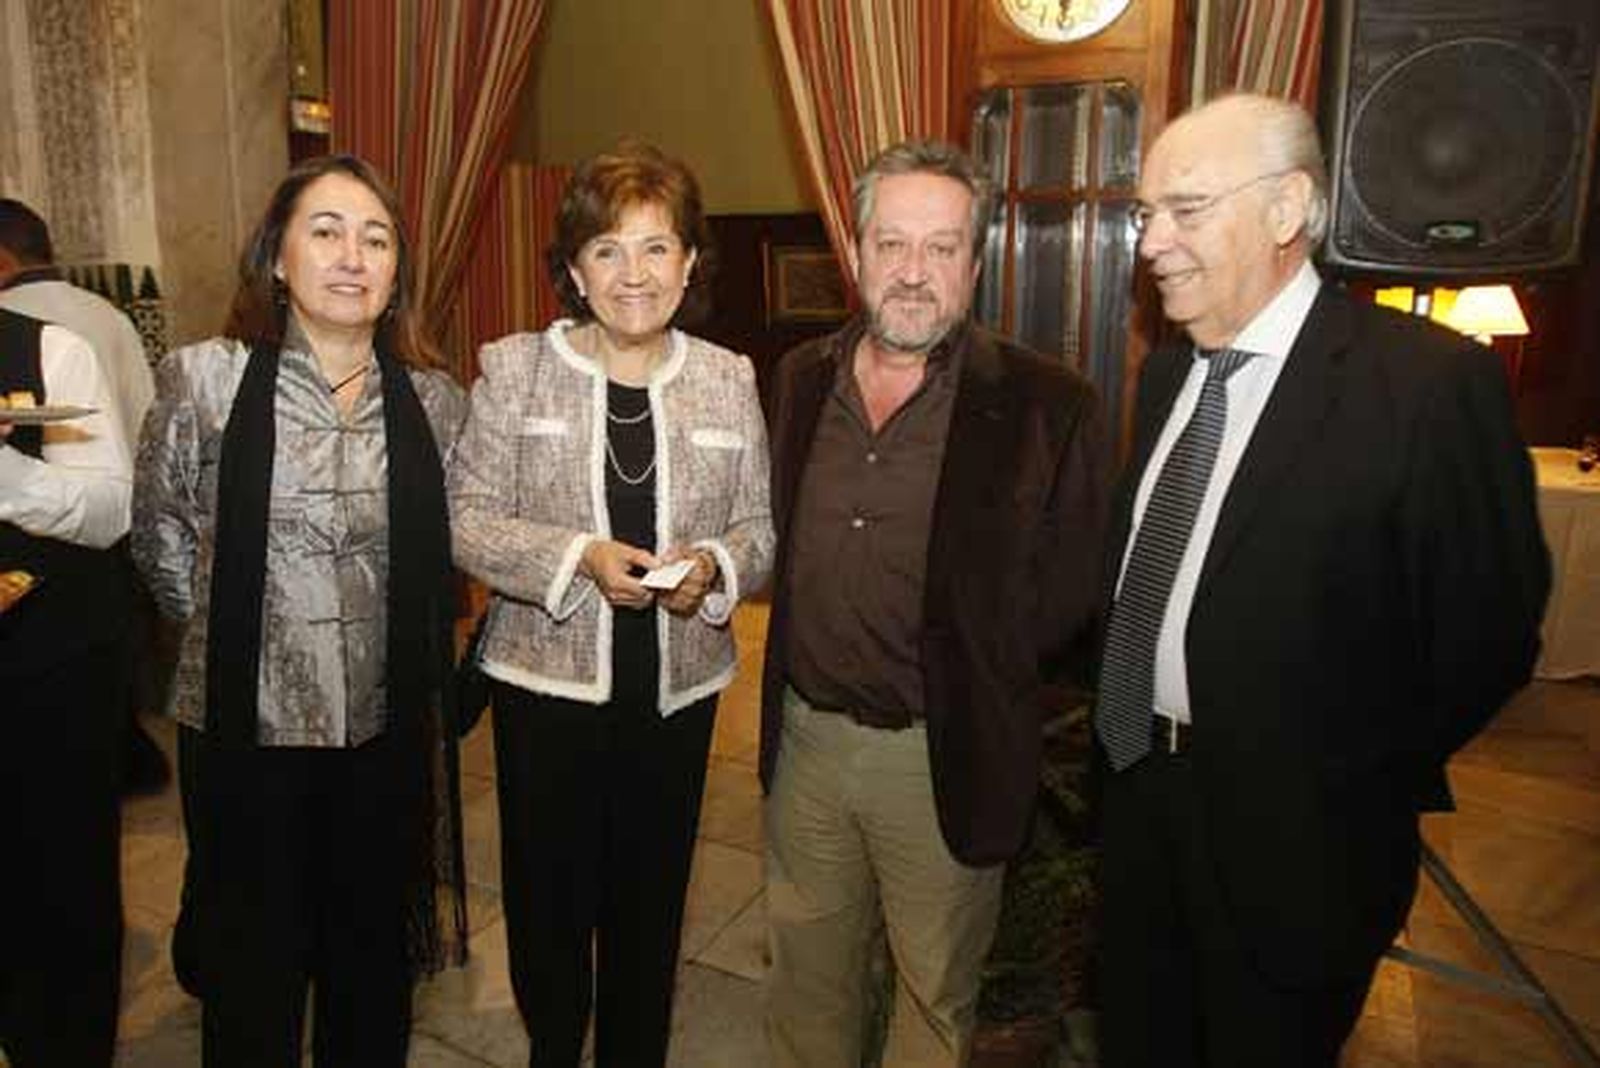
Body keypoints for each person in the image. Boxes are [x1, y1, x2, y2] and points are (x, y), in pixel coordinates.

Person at [1092, 93, 1550, 1067]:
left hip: (1296, 853)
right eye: (1145, 215)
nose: (1151, 244)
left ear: (1286, 208)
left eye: (1184, 209)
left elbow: (1489, 637)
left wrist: (1338, 779)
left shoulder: (1424, 388)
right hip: (1140, 805)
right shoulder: (1169, 379)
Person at [760, 140, 1108, 1068]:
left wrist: (974, 662)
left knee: (934, 992)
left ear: (976, 264)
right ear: (857, 252)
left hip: (942, 754)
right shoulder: (798, 380)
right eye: (892, 244)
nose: (913, 273)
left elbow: (1073, 588)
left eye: (942, 248)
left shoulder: (1048, 404)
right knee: (805, 979)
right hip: (808, 747)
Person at [131, 154, 469, 1067]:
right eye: (325, 231)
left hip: (383, 736)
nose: (352, 256)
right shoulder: (205, 380)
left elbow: (446, 561)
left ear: (397, 270)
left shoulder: (435, 402)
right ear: (277, 258)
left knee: (369, 961)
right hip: (247, 731)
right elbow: (159, 533)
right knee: (254, 968)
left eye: (376, 237)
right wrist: (237, 640)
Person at [447, 140, 773, 1068]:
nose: (634, 274)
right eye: (607, 251)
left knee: (651, 896)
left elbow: (760, 529)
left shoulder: (728, 376)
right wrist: (577, 555)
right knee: (549, 897)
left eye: (657, 248)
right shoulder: (515, 369)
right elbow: (464, 519)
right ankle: (556, 1047)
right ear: (575, 272)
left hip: (675, 696)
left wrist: (712, 566)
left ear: (690, 263)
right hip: (542, 687)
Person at [0, 196, 171, 796]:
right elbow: (150, 417)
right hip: (109, 542)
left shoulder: (40, 342)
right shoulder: (110, 313)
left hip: (52, 598)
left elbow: (102, 498)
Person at [0, 308, 132, 1066]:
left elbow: (111, 510)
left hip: (48, 664)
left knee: (62, 883)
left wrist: (7, 475)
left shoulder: (52, 349)